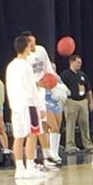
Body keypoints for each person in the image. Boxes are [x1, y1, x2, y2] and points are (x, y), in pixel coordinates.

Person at [6, 33, 45, 181]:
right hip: (28, 104)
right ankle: (30, 167)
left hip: (16, 106)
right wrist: (40, 107)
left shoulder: (11, 66)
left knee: (18, 137)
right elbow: (32, 88)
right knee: (32, 134)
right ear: (26, 47)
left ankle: (19, 169)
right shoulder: (26, 66)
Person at [25, 32, 62, 166]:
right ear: (26, 43)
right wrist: (37, 84)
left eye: (34, 40)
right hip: (32, 95)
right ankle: (32, 160)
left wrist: (55, 83)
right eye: (31, 41)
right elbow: (24, 82)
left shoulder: (41, 50)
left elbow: (48, 69)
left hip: (45, 91)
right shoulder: (23, 61)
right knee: (35, 128)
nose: (34, 43)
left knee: (45, 126)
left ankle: (49, 156)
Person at [59, 54, 93, 153]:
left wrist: (91, 102)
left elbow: (88, 90)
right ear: (72, 62)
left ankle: (88, 145)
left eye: (80, 63)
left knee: (85, 124)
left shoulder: (82, 75)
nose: (80, 65)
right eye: (78, 62)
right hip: (71, 101)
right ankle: (70, 146)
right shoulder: (65, 75)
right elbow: (61, 89)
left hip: (82, 101)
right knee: (71, 124)